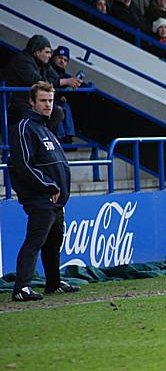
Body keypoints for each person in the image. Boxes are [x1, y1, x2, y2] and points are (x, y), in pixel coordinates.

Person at [8, 82, 79, 301]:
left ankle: (53, 283)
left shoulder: (45, 128)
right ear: (32, 102)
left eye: (50, 100)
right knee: (35, 241)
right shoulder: (25, 127)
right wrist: (49, 186)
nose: (48, 105)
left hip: (55, 199)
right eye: (43, 101)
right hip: (40, 197)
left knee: (53, 241)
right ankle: (21, 288)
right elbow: (23, 165)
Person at [3, 35, 80, 128]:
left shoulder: (43, 63)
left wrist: (72, 81)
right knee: (32, 112)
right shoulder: (22, 60)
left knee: (57, 113)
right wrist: (64, 81)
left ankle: (41, 137)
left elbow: (55, 78)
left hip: (29, 101)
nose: (50, 56)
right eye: (47, 52)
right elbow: (37, 81)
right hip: (11, 101)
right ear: (37, 52)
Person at [48, 46, 80, 145]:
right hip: (45, 101)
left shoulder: (62, 73)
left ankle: (69, 136)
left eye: (65, 60)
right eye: (60, 58)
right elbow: (48, 84)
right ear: (53, 58)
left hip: (55, 100)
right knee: (58, 109)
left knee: (66, 106)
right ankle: (59, 137)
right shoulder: (47, 68)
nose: (62, 61)